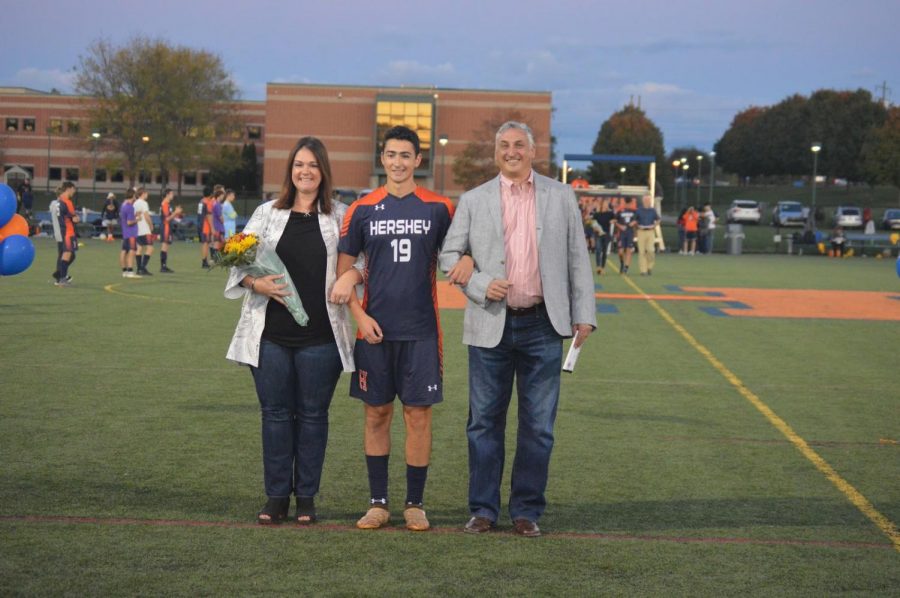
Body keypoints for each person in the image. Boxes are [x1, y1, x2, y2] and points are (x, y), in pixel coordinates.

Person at [439, 121, 596, 537]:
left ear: (533, 150)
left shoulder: (561, 196)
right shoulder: (473, 200)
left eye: (519, 145)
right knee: (483, 423)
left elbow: (578, 259)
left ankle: (527, 511)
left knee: (539, 426)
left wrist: (585, 314)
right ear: (496, 153)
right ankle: (483, 510)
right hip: (491, 324)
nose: (512, 151)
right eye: (505, 145)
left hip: (544, 325)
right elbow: (448, 255)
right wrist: (478, 283)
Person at [224, 136, 361, 525]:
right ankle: (276, 497)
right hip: (270, 338)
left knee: (314, 416)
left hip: (322, 338)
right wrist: (256, 284)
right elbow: (236, 259)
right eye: (299, 164)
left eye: (313, 165)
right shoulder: (267, 213)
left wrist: (351, 275)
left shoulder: (341, 215)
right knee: (276, 416)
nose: (305, 171)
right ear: (290, 170)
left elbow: (364, 261)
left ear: (323, 171)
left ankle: (307, 499)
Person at [335, 125, 456, 532]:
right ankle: (378, 503)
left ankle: (415, 504)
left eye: (406, 155)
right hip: (375, 331)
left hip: (422, 330)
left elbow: (459, 251)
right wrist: (359, 315)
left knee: (418, 416)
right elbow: (343, 273)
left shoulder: (439, 208)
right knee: (377, 415)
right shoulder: (362, 209)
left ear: (418, 161)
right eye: (391, 154)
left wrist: (470, 259)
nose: (398, 162)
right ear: (382, 158)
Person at [55, 182, 79, 287]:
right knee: (67, 254)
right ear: (68, 189)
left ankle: (60, 275)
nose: (74, 191)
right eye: (73, 189)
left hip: (61, 231)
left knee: (68, 254)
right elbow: (74, 218)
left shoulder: (58, 202)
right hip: (68, 231)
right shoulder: (68, 202)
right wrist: (77, 218)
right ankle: (62, 278)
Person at [635, 195, 660, 275]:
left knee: (650, 250)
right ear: (643, 201)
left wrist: (654, 225)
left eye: (648, 200)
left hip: (650, 231)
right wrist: (637, 226)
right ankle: (643, 270)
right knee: (641, 251)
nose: (647, 201)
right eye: (646, 200)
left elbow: (658, 219)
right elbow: (635, 220)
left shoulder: (652, 210)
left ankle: (649, 267)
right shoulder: (639, 210)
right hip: (641, 231)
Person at [119, 188, 141, 278]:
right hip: (131, 233)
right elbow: (129, 222)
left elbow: (125, 218)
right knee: (132, 251)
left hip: (125, 233)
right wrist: (137, 219)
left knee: (124, 251)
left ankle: (124, 271)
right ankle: (130, 271)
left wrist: (135, 215)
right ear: (133, 196)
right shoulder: (130, 207)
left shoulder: (123, 205)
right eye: (135, 195)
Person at [133, 187, 154, 276]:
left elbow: (134, 215)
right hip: (145, 229)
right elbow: (146, 215)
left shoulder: (135, 203)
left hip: (137, 229)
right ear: (143, 194)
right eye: (146, 193)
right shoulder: (144, 203)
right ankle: (142, 268)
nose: (147, 195)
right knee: (150, 248)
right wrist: (151, 225)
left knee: (139, 248)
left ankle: (138, 269)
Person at [159, 188, 181, 273]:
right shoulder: (165, 204)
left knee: (166, 246)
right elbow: (167, 219)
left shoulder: (167, 204)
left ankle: (164, 266)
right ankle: (163, 267)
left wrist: (176, 213)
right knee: (165, 245)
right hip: (165, 227)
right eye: (171, 193)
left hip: (167, 226)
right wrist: (175, 212)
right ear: (167, 194)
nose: (173, 195)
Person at [592, 198, 616, 275]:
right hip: (598, 234)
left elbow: (616, 219)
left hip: (606, 234)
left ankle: (602, 267)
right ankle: (598, 266)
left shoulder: (610, 213)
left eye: (607, 204)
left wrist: (613, 221)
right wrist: (596, 229)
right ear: (602, 205)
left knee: (604, 251)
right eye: (605, 204)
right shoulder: (597, 214)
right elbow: (593, 223)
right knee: (598, 249)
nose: (606, 205)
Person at [615, 198, 637, 274]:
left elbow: (637, 220)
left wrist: (634, 222)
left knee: (628, 250)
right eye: (626, 203)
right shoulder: (620, 211)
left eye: (629, 203)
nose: (628, 205)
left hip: (630, 233)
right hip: (622, 233)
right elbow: (615, 221)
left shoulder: (634, 212)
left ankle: (626, 268)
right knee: (620, 251)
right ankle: (622, 263)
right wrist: (620, 226)